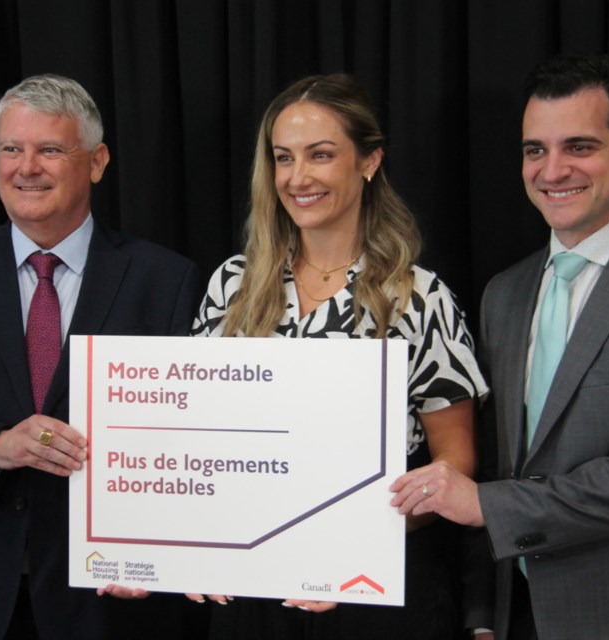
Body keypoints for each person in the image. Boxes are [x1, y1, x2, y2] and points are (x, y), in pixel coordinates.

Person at [390, 53, 609, 639]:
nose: (552, 171)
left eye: (578, 147)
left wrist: (488, 507)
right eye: (535, 150)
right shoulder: (505, 293)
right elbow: (503, 463)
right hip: (519, 618)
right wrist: (483, 613)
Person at [0, 74, 205, 639]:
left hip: (107, 598)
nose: (26, 167)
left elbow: (189, 433)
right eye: (11, 149)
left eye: (50, 149)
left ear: (96, 162)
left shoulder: (164, 279)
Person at [190, 73, 488, 640]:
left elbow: (456, 462)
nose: (298, 177)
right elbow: (200, 439)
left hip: (375, 592)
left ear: (369, 161)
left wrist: (351, 543)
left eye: (320, 155)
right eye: (283, 158)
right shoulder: (231, 286)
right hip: (252, 588)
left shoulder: (419, 297)